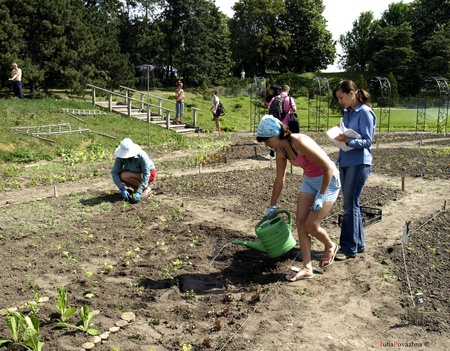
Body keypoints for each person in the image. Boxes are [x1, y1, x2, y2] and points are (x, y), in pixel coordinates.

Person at [256, 115, 341, 281]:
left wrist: (321, 195)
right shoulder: (281, 151)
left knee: (311, 225)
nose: (266, 144)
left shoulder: (300, 142)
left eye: (267, 140)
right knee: (301, 223)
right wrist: (272, 206)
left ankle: (330, 245)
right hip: (310, 181)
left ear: (277, 133)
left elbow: (328, 168)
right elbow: (280, 180)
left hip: (328, 181)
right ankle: (307, 267)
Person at [331, 80, 376, 260]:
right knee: (352, 205)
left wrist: (348, 140)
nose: (340, 101)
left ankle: (348, 248)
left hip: (359, 163)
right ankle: (359, 244)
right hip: (346, 161)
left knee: (350, 206)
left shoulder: (365, 112)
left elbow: (367, 141)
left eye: (341, 97)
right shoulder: (347, 113)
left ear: (351, 93)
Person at [111, 138, 156, 204]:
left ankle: (145, 189)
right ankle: (137, 189)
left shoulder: (142, 156)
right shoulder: (120, 158)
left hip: (149, 174)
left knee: (125, 176)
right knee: (120, 175)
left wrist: (139, 192)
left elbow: (146, 174)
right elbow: (114, 172)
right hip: (134, 172)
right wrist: (122, 189)